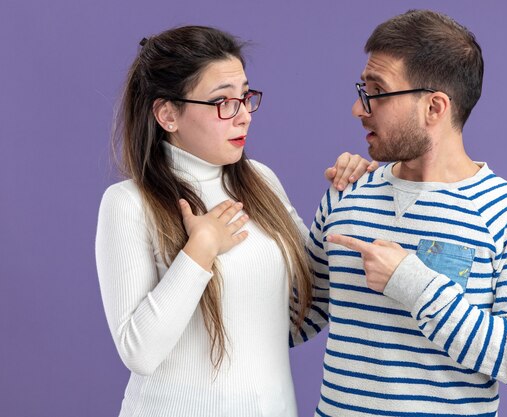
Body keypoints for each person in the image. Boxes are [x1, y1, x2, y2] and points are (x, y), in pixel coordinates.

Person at [95, 26, 375, 417]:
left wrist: (347, 195)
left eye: (245, 97)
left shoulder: (261, 181)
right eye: (223, 102)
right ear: (167, 114)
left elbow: (309, 305)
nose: (243, 116)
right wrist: (199, 252)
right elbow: (139, 352)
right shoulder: (129, 204)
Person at [297, 10, 507, 417]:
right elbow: (298, 322)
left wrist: (412, 283)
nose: (357, 109)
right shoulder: (347, 191)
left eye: (376, 92)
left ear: (434, 108)